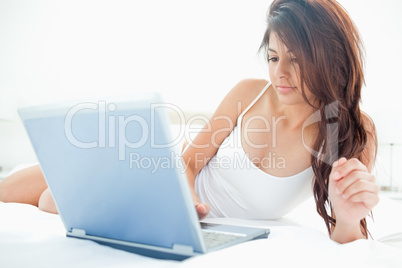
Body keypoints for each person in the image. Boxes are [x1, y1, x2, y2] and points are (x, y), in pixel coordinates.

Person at [0, 0, 378, 244]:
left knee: (53, 200)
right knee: (48, 179)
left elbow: (349, 233)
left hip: (196, 219)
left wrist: (346, 221)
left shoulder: (351, 132)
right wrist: (188, 200)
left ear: (328, 57)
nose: (280, 73)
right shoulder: (250, 93)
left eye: (295, 60)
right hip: (170, 186)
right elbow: (191, 160)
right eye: (274, 57)